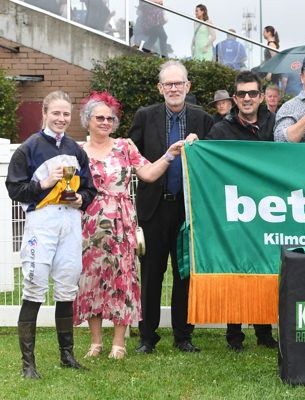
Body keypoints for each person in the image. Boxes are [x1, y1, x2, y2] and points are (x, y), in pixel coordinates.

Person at [73, 91, 190, 360]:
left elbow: (148, 173)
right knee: (90, 280)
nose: (105, 122)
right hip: (89, 224)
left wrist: (170, 154)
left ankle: (119, 342)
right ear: (87, 121)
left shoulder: (125, 146)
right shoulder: (78, 152)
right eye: (99, 118)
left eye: (109, 118)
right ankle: (95, 342)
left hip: (121, 222)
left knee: (122, 279)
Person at [6, 91, 97, 379]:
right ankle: (28, 365)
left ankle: (67, 356)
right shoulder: (29, 148)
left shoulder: (76, 148)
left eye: (66, 114)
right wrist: (44, 182)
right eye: (56, 113)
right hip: (40, 224)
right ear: (45, 113)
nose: (61, 119)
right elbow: (14, 188)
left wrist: (81, 199)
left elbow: (90, 188)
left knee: (67, 286)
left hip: (69, 222)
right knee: (34, 286)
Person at [129, 60, 214, 354]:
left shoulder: (204, 120)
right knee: (151, 275)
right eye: (169, 84)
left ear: (187, 86)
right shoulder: (144, 117)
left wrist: (200, 144)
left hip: (188, 209)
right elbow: (131, 156)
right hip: (153, 207)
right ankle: (147, 337)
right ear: (160, 88)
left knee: (184, 273)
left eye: (179, 83)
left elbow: (214, 160)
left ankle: (183, 335)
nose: (174, 88)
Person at [206, 70, 278, 351]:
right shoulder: (221, 130)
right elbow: (207, 163)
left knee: (265, 268)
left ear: (261, 97)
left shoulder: (275, 124)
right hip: (236, 210)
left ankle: (264, 332)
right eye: (241, 94)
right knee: (237, 270)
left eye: (252, 93)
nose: (247, 99)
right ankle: (234, 335)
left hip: (270, 210)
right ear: (234, 98)